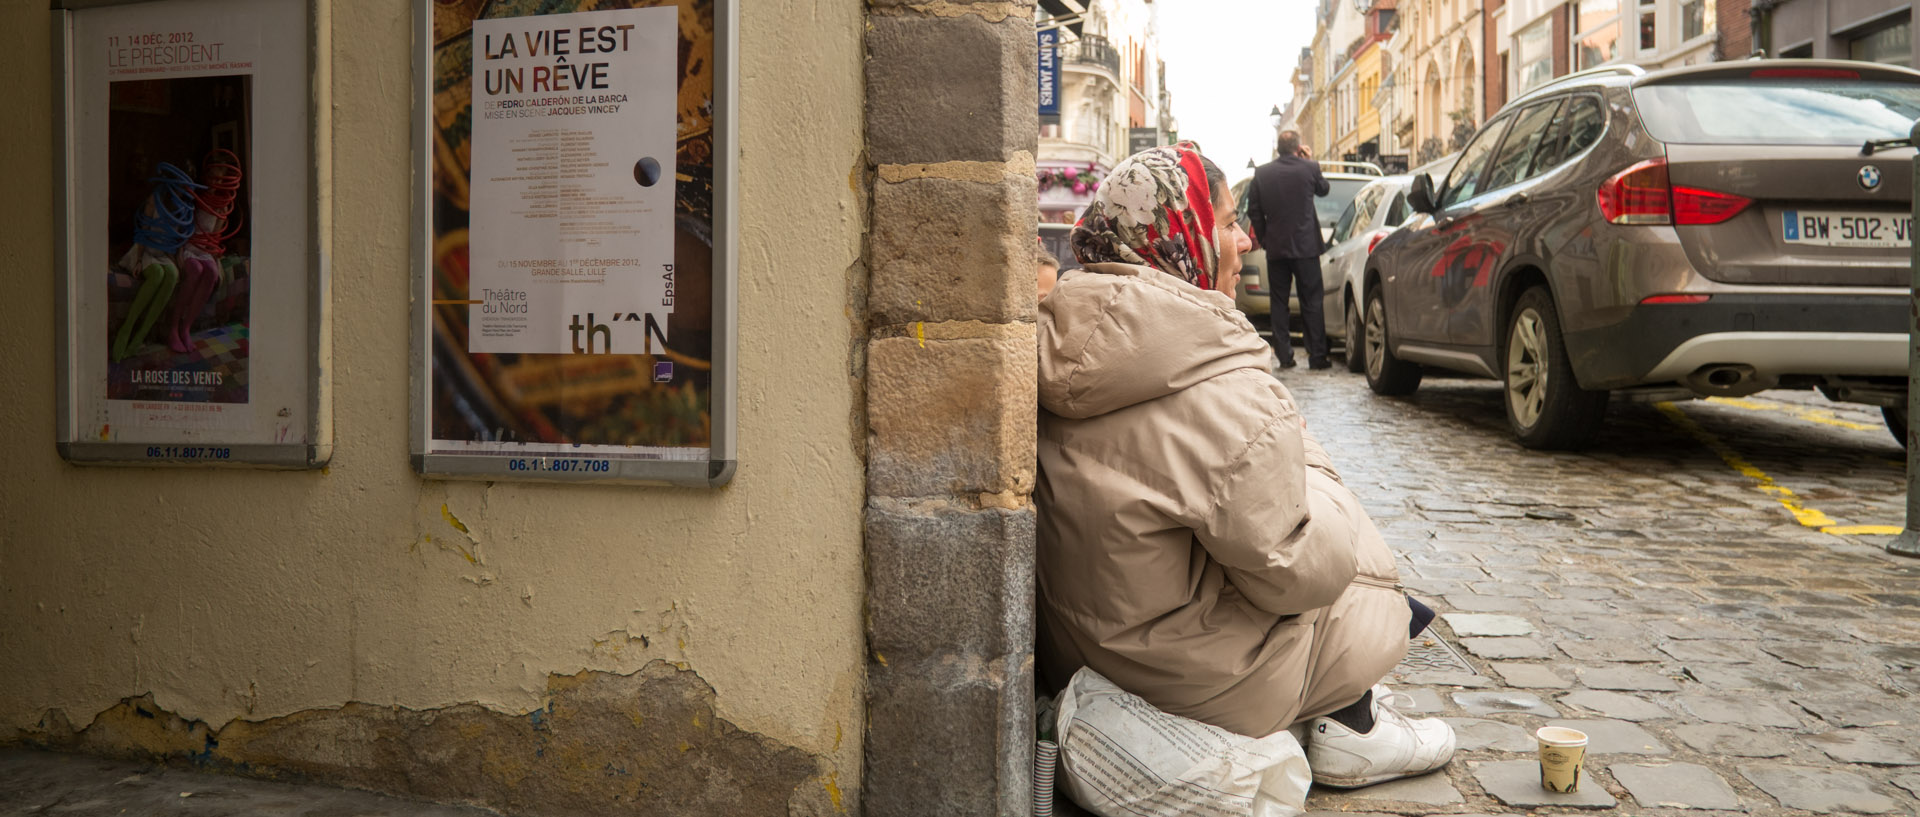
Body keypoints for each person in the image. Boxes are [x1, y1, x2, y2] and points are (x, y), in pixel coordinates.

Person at [1038, 143, 1455, 789]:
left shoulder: (1063, 333)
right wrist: (1309, 460)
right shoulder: (1221, 388)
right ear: (1185, 238)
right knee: (1376, 598)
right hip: (1194, 681)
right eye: (1229, 222)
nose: (1245, 239)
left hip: (1087, 649)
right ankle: (1359, 722)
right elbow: (1298, 577)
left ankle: (1339, 709)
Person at [1247, 130, 1332, 369]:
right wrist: (1308, 161)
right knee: (1312, 301)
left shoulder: (1263, 173)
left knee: (1279, 302)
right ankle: (1317, 356)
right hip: (1306, 248)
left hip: (1277, 248)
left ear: (1278, 148)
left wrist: (1265, 238)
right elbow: (1323, 189)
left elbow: (1254, 209)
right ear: (1298, 148)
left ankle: (1285, 357)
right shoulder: (1310, 167)